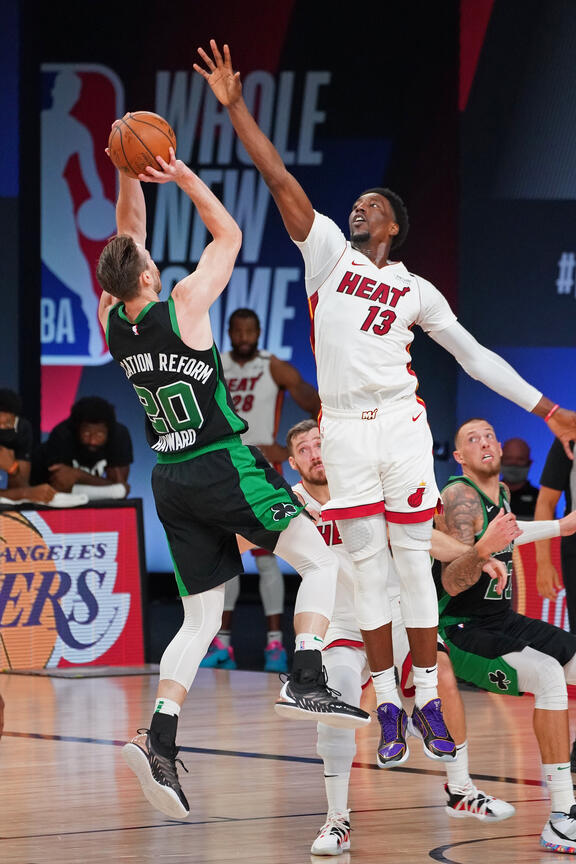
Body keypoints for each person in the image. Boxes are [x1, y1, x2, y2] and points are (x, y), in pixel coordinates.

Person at [194, 40, 576, 768]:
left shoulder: (414, 287)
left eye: (370, 206)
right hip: (341, 429)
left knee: (408, 563)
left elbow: (471, 353)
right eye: (355, 204)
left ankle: (425, 691)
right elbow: (278, 180)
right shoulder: (328, 254)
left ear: (392, 225)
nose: (357, 207)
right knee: (366, 567)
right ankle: (389, 698)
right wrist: (236, 107)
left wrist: (546, 407)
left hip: (400, 421)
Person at [96, 139, 369, 821]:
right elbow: (232, 233)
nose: (157, 261)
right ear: (152, 278)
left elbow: (128, 236)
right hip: (222, 460)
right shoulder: (185, 301)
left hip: (171, 480)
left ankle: (159, 739)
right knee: (320, 558)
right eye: (154, 262)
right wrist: (182, 174)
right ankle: (306, 673)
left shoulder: (113, 320)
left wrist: (128, 172)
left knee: (201, 618)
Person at [287, 419, 517, 855]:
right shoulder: (289, 503)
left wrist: (475, 554)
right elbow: (241, 537)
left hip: (392, 615)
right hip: (339, 625)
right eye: (305, 448)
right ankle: (337, 820)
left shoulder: (364, 485)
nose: (316, 453)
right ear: (294, 461)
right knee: (334, 704)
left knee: (442, 675)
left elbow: (422, 537)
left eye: (320, 443)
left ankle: (461, 789)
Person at [436, 417, 576, 855]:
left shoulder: (501, 492)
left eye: (489, 435)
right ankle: (560, 815)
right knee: (549, 674)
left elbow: (508, 539)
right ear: (459, 457)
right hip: (462, 627)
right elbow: (452, 582)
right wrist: (480, 553)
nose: (485, 443)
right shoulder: (459, 496)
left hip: (502, 620)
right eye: (472, 439)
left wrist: (564, 526)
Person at [203, 307, 321, 672]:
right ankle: (222, 644)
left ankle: (274, 645)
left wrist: (287, 450)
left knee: (268, 554)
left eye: (249, 331)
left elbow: (317, 405)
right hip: (224, 466)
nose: (243, 337)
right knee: (225, 555)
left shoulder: (274, 367)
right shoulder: (214, 364)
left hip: (261, 468)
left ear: (258, 332)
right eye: (237, 331)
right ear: (229, 331)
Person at [32, 396, 132, 498]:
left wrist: (78, 475)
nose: (92, 441)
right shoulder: (62, 434)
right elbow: (60, 484)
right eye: (87, 433)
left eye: (99, 435)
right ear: (77, 429)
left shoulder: (119, 435)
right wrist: (111, 488)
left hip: (76, 492)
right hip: (42, 494)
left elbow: (121, 487)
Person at [0, 388, 56, 505]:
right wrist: (24, 494)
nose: (2, 428)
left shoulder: (22, 429)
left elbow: (22, 486)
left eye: (8, 423)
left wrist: (13, 469)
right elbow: (24, 492)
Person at [501, 437, 539, 518]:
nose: (514, 463)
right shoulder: (486, 496)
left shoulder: (541, 499)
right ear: (500, 461)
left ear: (529, 463)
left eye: (520, 459)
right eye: (508, 458)